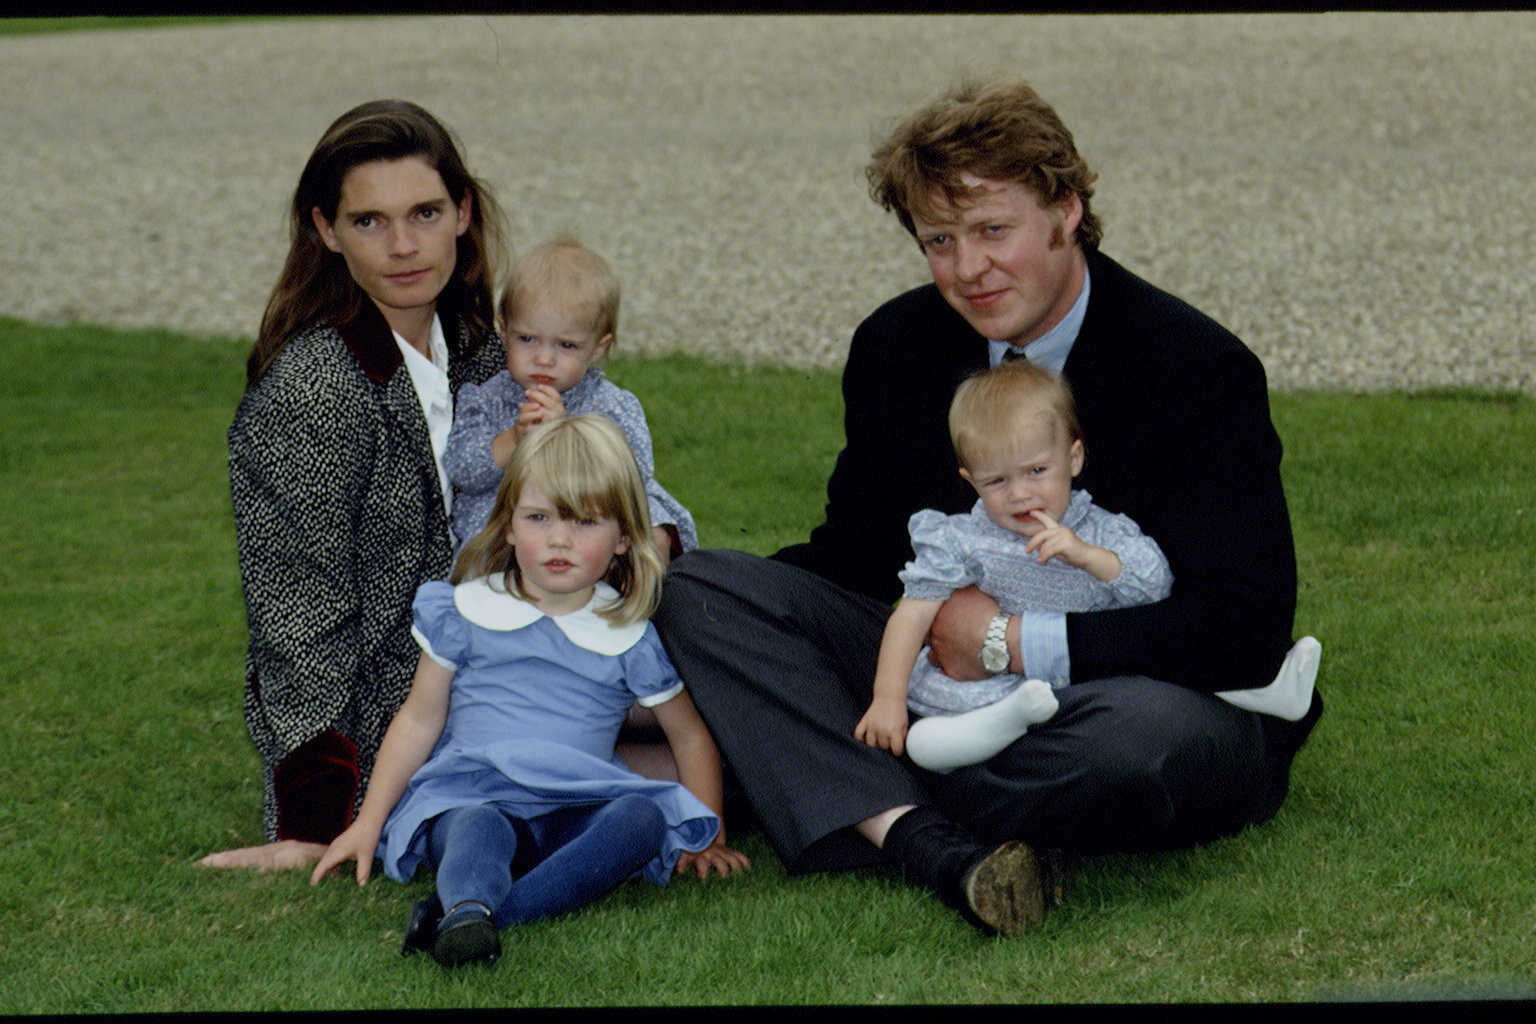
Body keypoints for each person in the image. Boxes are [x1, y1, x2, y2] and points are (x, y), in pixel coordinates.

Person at [653, 77, 1324, 935]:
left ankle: (839, 782)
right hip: (929, 672)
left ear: (1067, 210)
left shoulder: (1196, 368)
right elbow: (855, 557)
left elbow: (1241, 628)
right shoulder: (896, 346)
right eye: (939, 240)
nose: (968, 269)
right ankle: (944, 828)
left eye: (992, 231)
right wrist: (696, 622)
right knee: (699, 593)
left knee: (1144, 745)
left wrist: (1010, 642)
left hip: (1124, 694)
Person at [310, 415, 748, 968]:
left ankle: (478, 917)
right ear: (509, 524)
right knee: (477, 827)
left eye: (584, 522)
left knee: (640, 817)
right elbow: (419, 719)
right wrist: (367, 825)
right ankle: (468, 904)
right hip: (476, 792)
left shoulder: (627, 635)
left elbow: (689, 737)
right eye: (539, 517)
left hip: (577, 807)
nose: (558, 539)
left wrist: (707, 836)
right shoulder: (466, 610)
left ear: (623, 539)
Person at [199, 99, 509, 872]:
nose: (404, 246)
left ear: (463, 213)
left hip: (512, 658)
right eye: (369, 222)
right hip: (400, 715)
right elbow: (298, 619)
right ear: (325, 232)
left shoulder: (478, 346)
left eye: (425, 213)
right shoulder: (312, 393)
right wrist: (314, 826)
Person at [855, 361, 1320, 774]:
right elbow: (911, 615)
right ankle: (1009, 721)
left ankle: (1270, 688)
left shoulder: (1101, 530)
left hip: (1091, 679)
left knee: (1162, 670)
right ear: (969, 479)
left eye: (1037, 471)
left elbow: (1154, 586)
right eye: (996, 480)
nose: (1020, 494)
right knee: (927, 744)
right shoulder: (960, 539)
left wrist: (1085, 556)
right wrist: (888, 699)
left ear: (1073, 458)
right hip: (991, 689)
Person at [444, 234, 697, 562]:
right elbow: (462, 470)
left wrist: (567, 436)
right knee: (492, 535)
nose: (544, 359)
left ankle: (632, 605)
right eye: (528, 339)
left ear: (598, 347)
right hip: (513, 527)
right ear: (503, 331)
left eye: (566, 345)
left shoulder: (610, 404)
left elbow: (636, 473)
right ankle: (503, 607)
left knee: (653, 530)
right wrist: (514, 439)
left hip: (590, 519)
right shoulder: (485, 400)